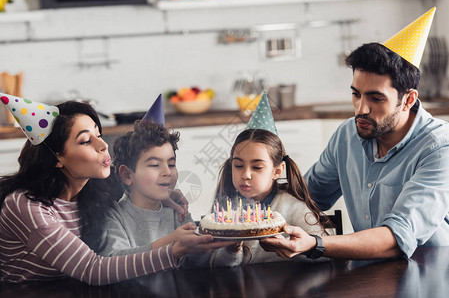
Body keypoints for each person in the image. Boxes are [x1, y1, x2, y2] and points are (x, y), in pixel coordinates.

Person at [261, 7, 449, 260]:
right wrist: (251, 194)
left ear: (408, 100)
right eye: (356, 94)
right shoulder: (347, 135)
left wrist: (315, 244)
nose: (362, 109)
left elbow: (398, 237)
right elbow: (308, 195)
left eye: (376, 98)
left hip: (429, 273)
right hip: (369, 270)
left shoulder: (439, 148)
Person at [0, 95, 232, 285]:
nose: (102, 145)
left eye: (98, 135)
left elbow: (139, 180)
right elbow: (93, 269)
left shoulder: (99, 186)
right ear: (57, 158)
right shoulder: (27, 206)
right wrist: (173, 250)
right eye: (85, 141)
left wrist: (164, 191)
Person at [209, 93, 330, 267]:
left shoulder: (292, 206)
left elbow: (325, 251)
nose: (246, 174)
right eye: (238, 166)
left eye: (257, 167)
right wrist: (231, 251)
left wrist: (298, 247)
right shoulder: (227, 211)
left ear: (277, 171)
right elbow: (215, 266)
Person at [98, 98, 211, 268]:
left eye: (171, 164)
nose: (167, 172)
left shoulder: (177, 211)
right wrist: (170, 242)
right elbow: (113, 260)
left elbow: (197, 263)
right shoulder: (115, 216)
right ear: (127, 175)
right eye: (154, 165)